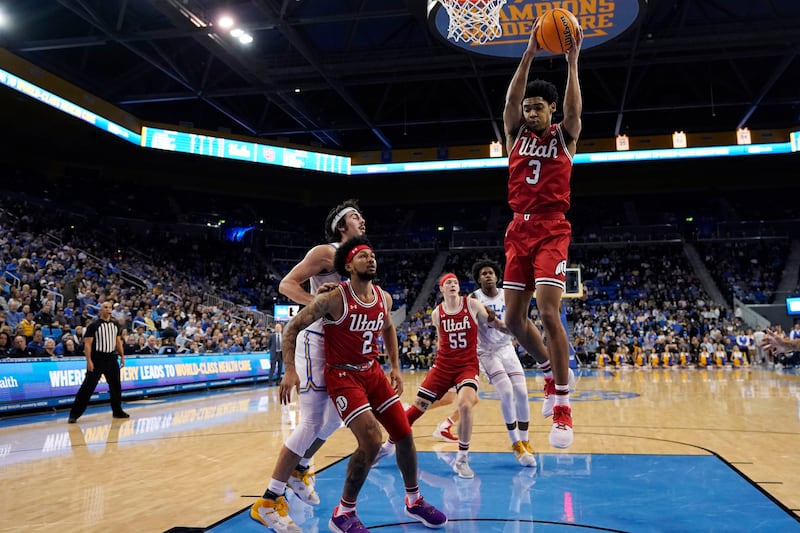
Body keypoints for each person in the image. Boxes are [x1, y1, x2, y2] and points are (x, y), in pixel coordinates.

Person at [277, 236, 446, 532]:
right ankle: (343, 513)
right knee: (371, 439)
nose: (371, 259)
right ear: (349, 265)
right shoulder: (333, 297)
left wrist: (394, 366)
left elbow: (389, 326)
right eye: (363, 256)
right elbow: (292, 328)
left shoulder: (384, 297)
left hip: (372, 371)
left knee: (403, 432)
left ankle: (414, 500)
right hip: (342, 375)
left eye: (373, 255)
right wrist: (290, 369)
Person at [250, 199, 367, 532]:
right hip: (315, 342)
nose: (362, 220)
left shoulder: (359, 258)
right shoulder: (325, 252)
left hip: (339, 347)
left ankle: (301, 469)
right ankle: (269, 500)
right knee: (313, 420)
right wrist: (316, 303)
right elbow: (286, 284)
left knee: (336, 418)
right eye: (355, 216)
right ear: (341, 226)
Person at [500, 17, 584, 449]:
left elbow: (574, 111)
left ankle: (564, 405)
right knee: (513, 319)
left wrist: (571, 62)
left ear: (550, 112)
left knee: (549, 312)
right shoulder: (513, 134)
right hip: (518, 229)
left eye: (538, 107)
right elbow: (511, 98)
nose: (531, 111)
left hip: (552, 228)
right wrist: (530, 52)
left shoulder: (565, 137)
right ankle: (551, 370)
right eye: (528, 107)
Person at [375, 272, 509, 479]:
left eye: (455, 282)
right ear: (442, 289)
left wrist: (516, 331)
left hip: (467, 366)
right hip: (443, 366)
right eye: (449, 283)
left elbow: (496, 324)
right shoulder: (437, 313)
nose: (454, 285)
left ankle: (462, 459)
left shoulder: (472, 305)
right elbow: (441, 342)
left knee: (466, 404)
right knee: (416, 409)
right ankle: (388, 446)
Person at [435, 259, 536, 467]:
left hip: (507, 348)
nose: (488, 275)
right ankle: (515, 442)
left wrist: (518, 332)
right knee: (507, 392)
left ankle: (525, 440)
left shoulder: (507, 295)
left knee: (522, 392)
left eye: (491, 272)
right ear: (478, 279)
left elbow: (513, 325)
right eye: (483, 274)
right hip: (486, 352)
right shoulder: (473, 299)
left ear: (497, 276)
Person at [67, 300, 130, 423]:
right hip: (97, 359)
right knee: (87, 387)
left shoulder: (115, 324)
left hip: (111, 358)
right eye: (105, 307)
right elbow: (88, 345)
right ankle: (74, 414)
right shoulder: (94, 325)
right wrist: (89, 361)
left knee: (116, 386)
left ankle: (117, 411)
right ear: (100, 310)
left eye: (109, 307)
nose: (108, 309)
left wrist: (122, 356)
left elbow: (118, 341)